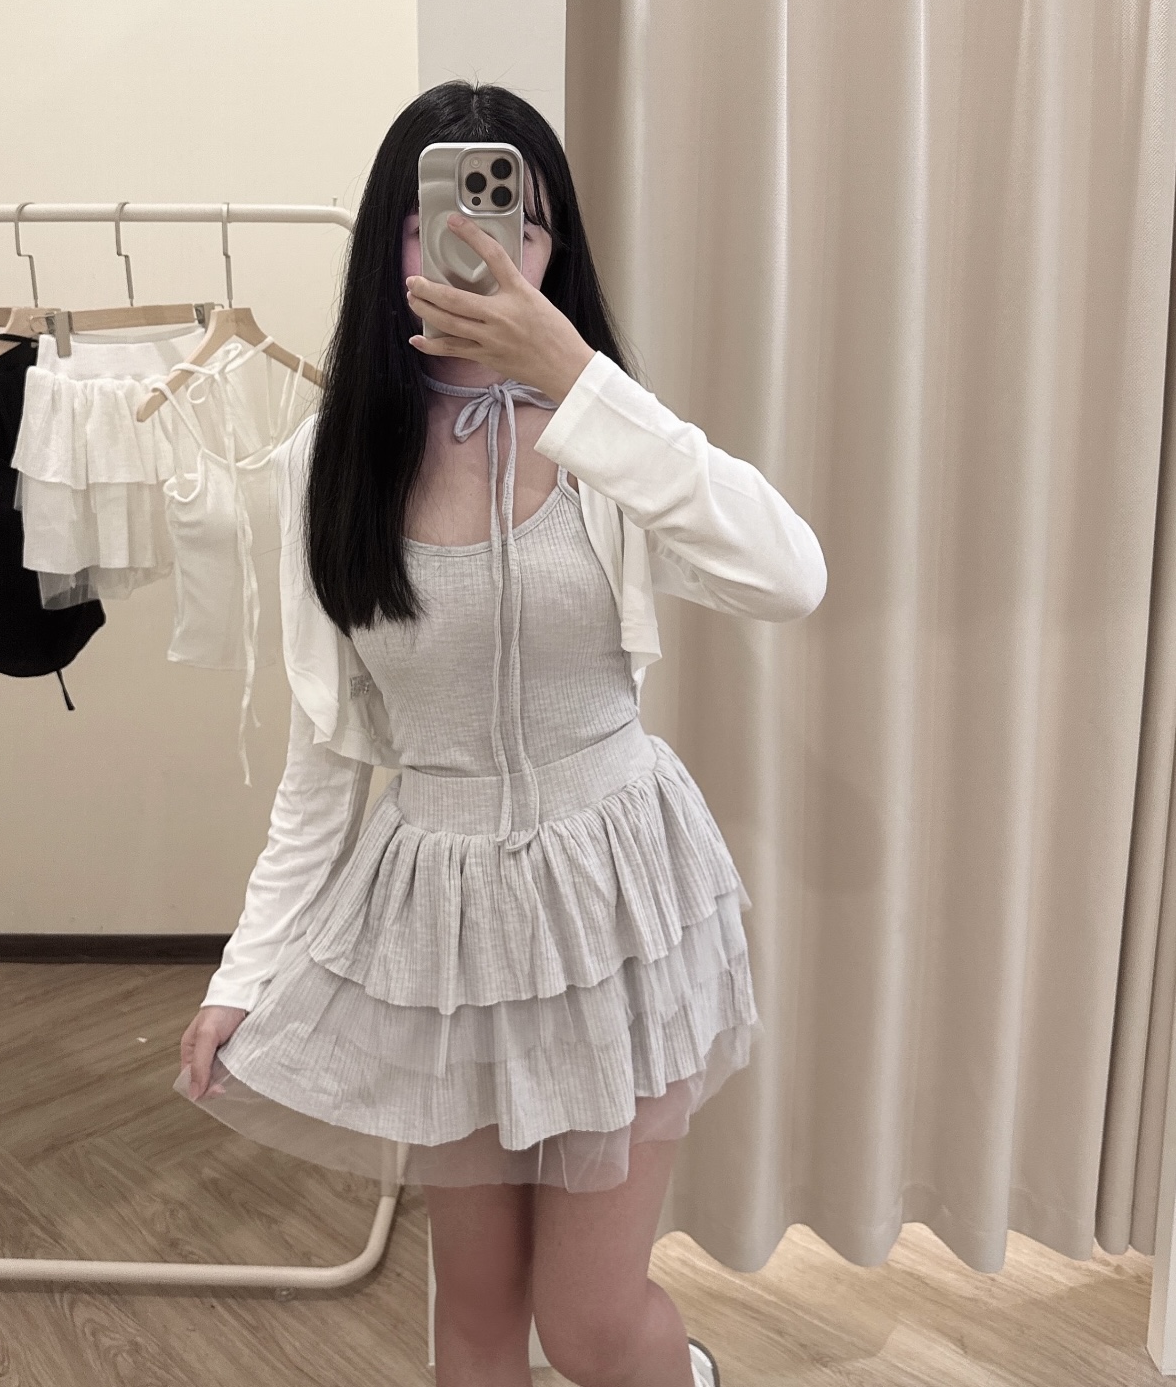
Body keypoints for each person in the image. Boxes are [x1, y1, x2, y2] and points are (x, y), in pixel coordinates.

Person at [179, 80, 827, 1387]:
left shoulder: (609, 439)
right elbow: (327, 757)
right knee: (472, 1322)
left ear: (553, 248)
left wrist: (578, 381)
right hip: (446, 920)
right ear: (394, 243)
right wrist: (245, 969)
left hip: (617, 897)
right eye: (444, 220)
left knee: (586, 1324)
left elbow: (789, 575)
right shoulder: (327, 466)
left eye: (515, 221)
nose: (480, 248)